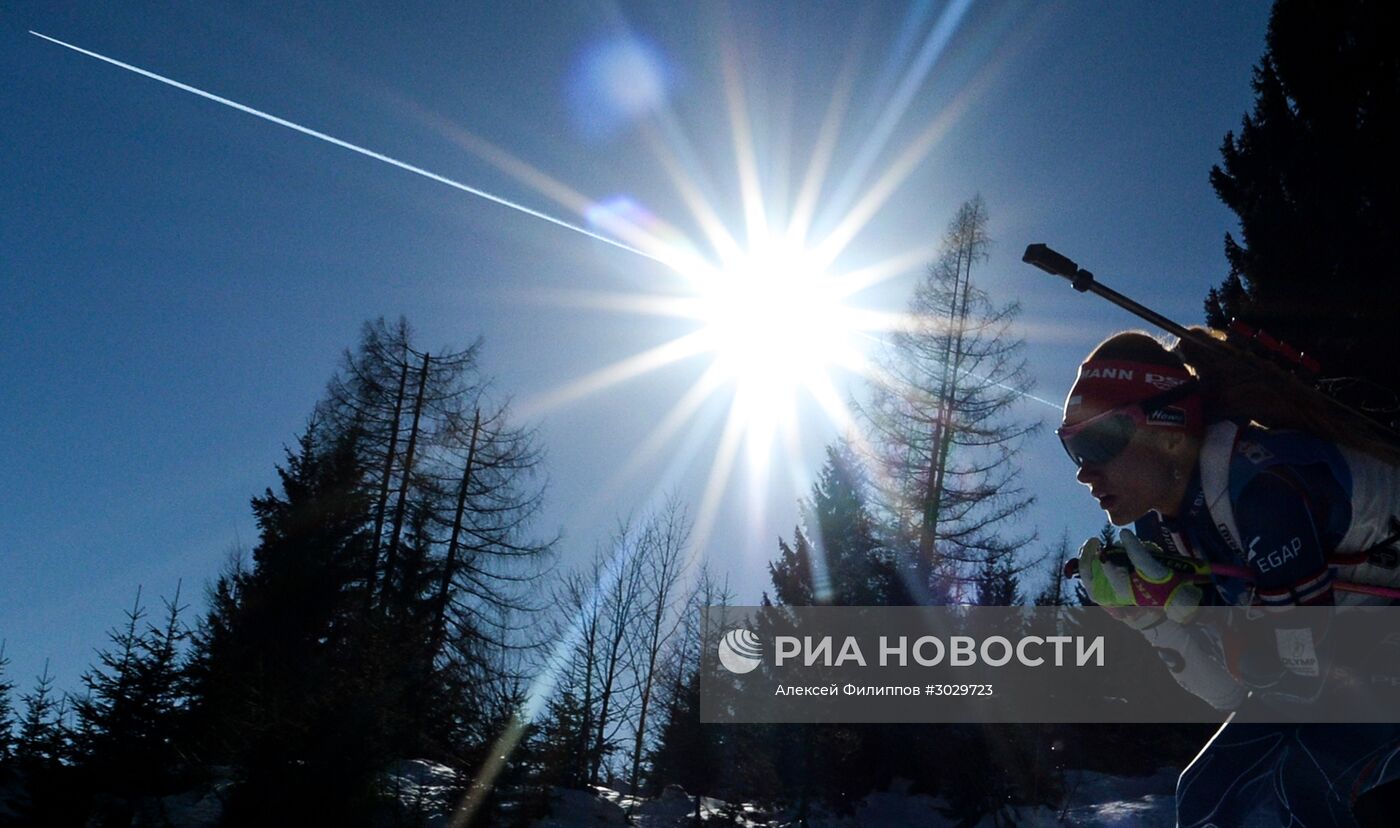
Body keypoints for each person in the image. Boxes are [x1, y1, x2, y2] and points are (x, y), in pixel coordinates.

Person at [1060, 330, 1400, 827]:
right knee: (1206, 795)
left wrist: (1189, 609)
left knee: (1309, 782)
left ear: (1170, 430)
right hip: (1361, 642)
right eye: (1073, 449)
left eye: (1098, 440)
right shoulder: (1161, 525)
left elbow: (1299, 684)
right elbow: (1230, 694)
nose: (1083, 472)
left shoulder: (1259, 490)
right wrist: (1153, 621)